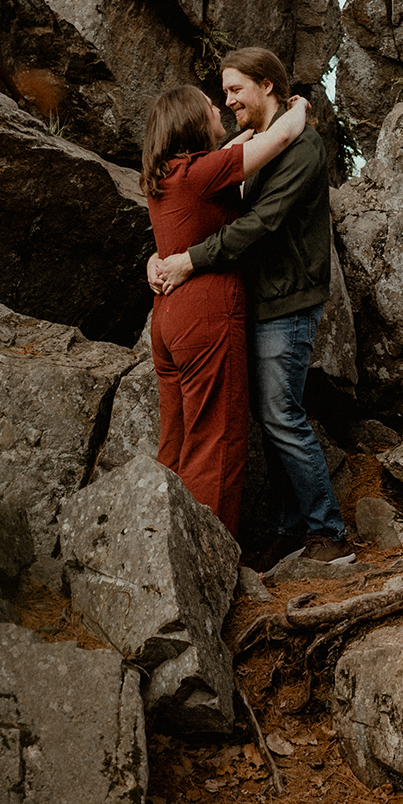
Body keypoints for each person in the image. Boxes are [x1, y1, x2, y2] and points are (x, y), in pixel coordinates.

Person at [149, 47, 350, 567]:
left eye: (236, 89)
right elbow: (207, 200)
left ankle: (327, 531)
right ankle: (288, 528)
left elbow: (259, 222)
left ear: (267, 85)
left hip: (288, 301)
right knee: (267, 418)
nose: (228, 99)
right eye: (223, 92)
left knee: (280, 416)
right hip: (253, 300)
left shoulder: (300, 143)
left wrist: (188, 260)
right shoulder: (256, 143)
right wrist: (163, 255)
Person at [140, 83, 309, 538]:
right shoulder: (201, 173)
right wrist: (300, 107)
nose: (221, 109)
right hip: (206, 313)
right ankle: (205, 561)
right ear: (194, 122)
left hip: (167, 319)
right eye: (212, 107)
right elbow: (279, 138)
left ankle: (162, 548)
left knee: (175, 442)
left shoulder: (166, 175)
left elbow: (238, 146)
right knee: (217, 439)